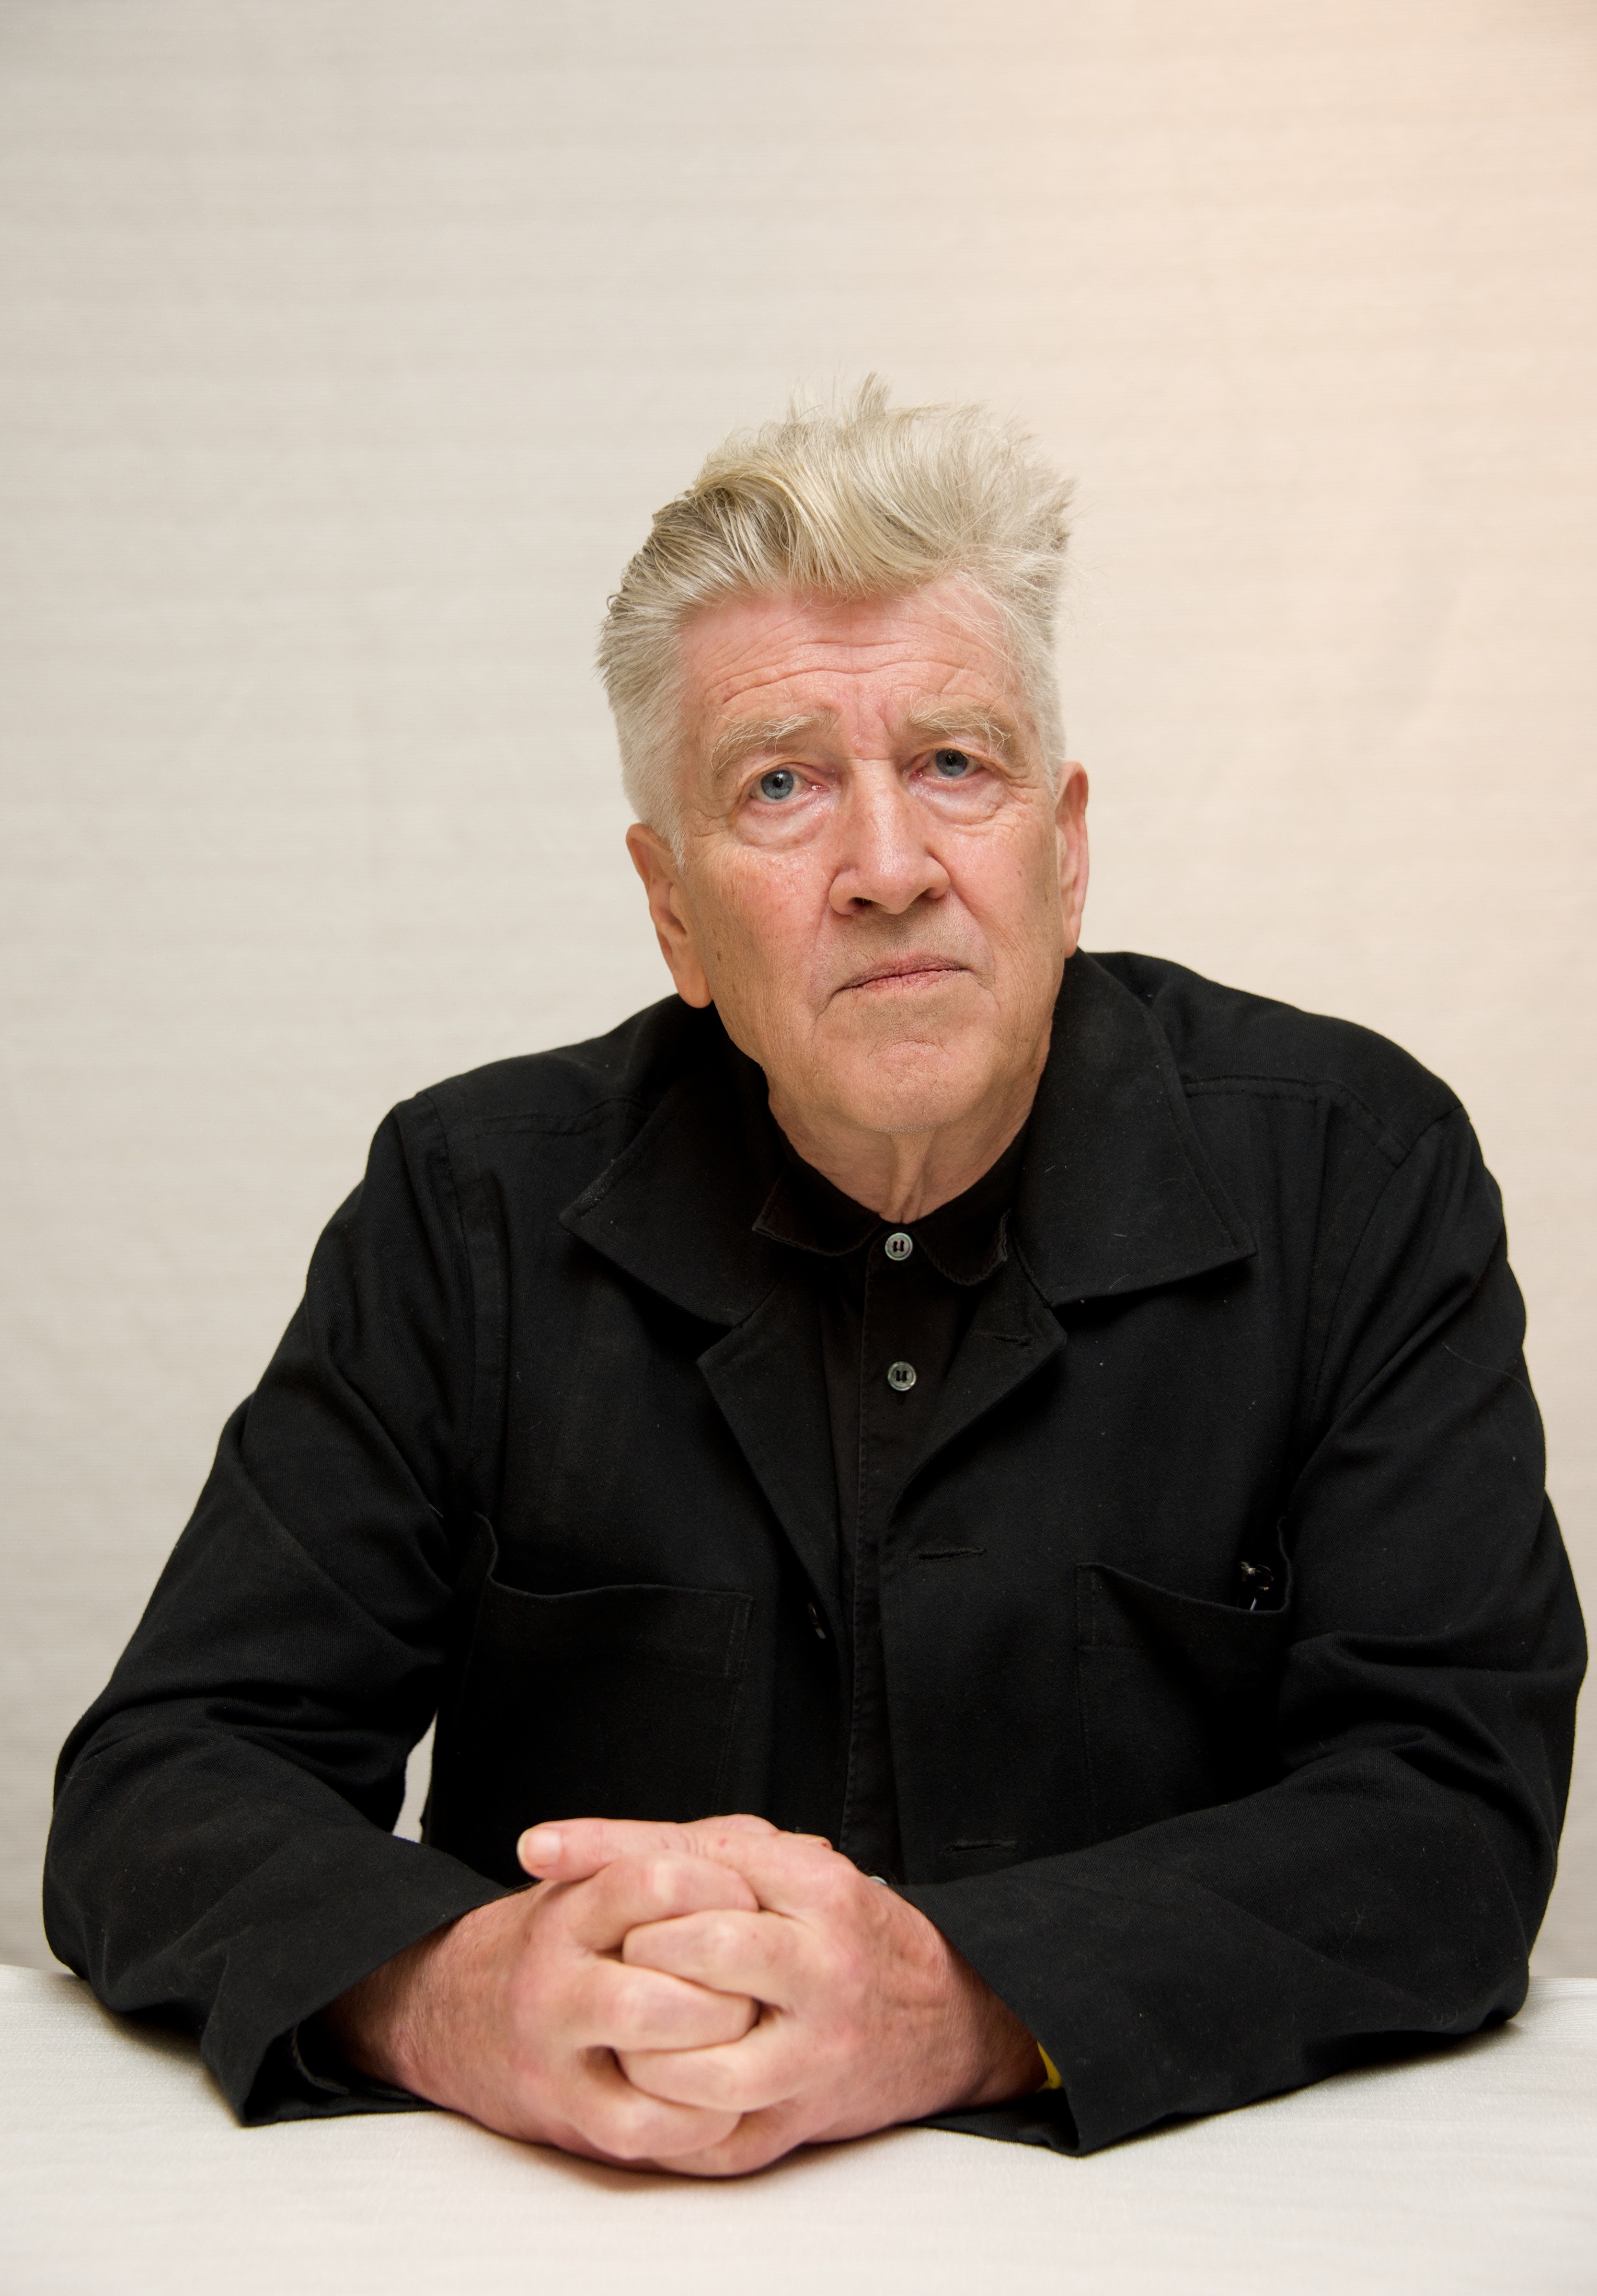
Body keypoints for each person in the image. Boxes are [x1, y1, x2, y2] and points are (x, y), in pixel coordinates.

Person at [46, 385, 1584, 2173]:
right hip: (579, 2245)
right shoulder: (466, 1208)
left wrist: (954, 2005)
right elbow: (162, 1783)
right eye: (781, 784)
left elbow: (1452, 1818)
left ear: (1065, 844)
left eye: (956, 762)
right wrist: (467, 1993)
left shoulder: (1358, 1174)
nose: (888, 868)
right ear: (674, 911)